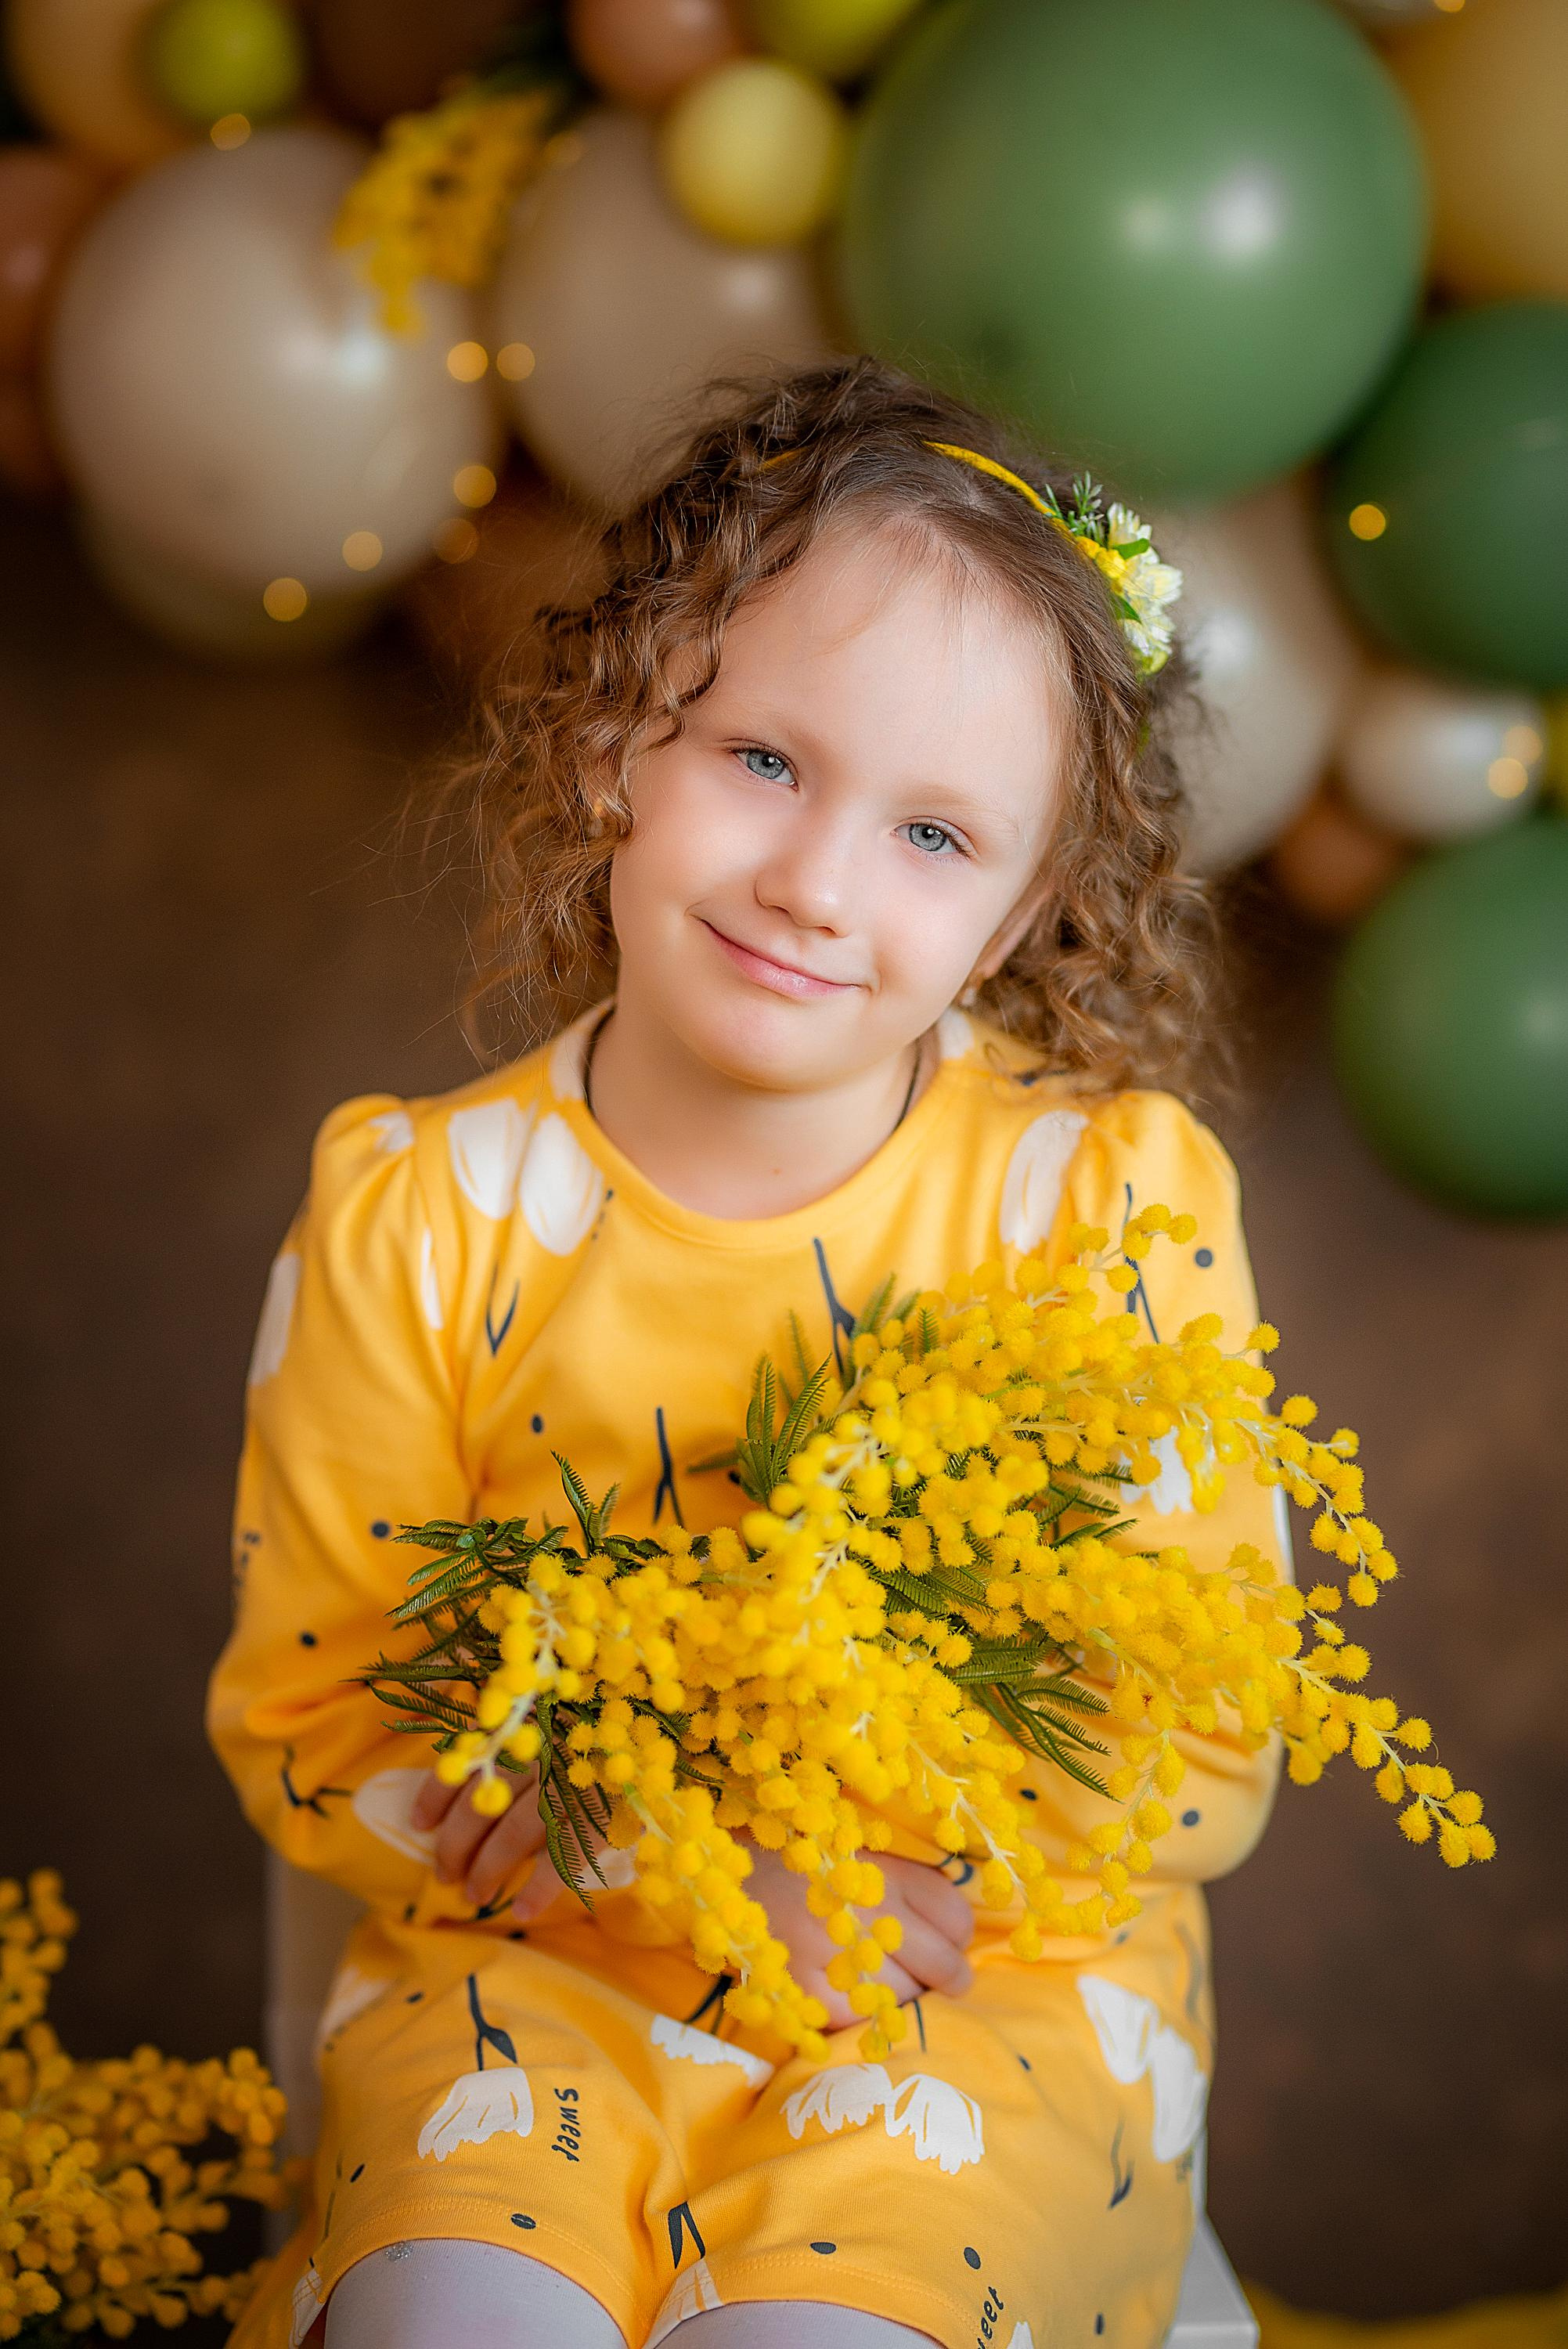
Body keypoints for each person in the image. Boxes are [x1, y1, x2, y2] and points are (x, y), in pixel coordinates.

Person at [209, 357, 1291, 2349]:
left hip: (973, 1989)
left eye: (935, 837)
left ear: (1022, 911)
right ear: (624, 735)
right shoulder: (418, 1222)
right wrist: (659, 1860)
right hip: (528, 1971)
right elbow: (318, 1725)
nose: (813, 886)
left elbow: (1196, 1749)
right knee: (449, 2319)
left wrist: (836, 1862)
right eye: (764, 763)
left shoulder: (1100, 1214)